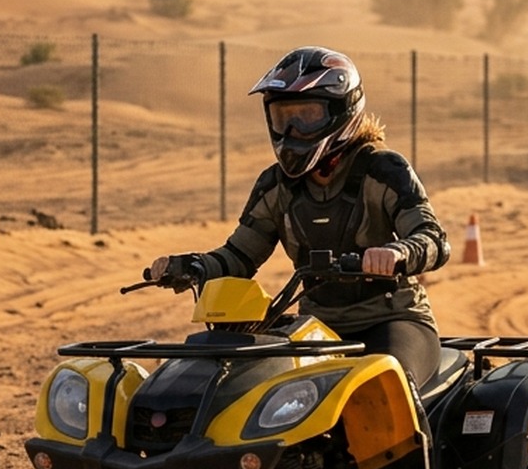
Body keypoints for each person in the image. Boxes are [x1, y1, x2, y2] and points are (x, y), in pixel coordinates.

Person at [148, 46, 450, 387]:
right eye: (283, 118)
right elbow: (240, 256)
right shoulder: (276, 184)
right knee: (252, 388)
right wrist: (193, 266)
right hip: (316, 327)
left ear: (341, 112)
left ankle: (419, 441)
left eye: (306, 116)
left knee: (387, 388)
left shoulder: (383, 169)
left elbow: (433, 239)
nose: (292, 130)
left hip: (393, 320)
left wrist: (398, 253)